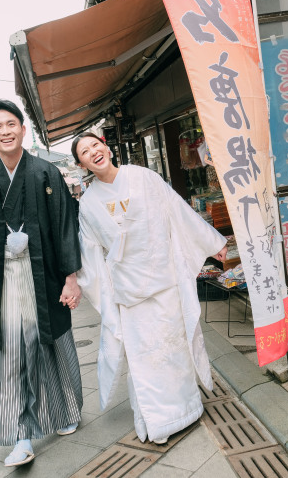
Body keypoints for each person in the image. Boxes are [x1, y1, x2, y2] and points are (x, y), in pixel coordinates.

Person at [73, 132, 228, 445]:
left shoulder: (143, 177)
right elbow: (90, 254)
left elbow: (176, 210)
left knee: (174, 348)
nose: (94, 152)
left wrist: (211, 243)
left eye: (95, 145)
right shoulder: (87, 204)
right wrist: (95, 291)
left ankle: (187, 408)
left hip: (163, 279)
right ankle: (158, 422)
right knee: (146, 360)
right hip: (129, 293)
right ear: (81, 164)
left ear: (106, 147)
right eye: (85, 152)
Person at [0, 99, 83, 468]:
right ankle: (20, 435)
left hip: (44, 276)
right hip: (2, 278)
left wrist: (71, 277)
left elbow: (63, 226)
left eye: (12, 124)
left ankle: (64, 409)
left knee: (50, 341)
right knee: (10, 351)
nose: (6, 131)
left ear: (23, 130)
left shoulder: (45, 172)